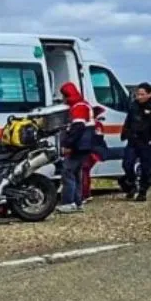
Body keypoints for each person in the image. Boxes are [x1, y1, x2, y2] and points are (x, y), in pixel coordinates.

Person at [121, 82, 151, 202]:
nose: (139, 97)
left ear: (149, 94)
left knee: (147, 168)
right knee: (127, 164)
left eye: (142, 94)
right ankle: (131, 184)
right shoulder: (133, 105)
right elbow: (128, 121)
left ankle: (142, 191)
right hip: (133, 140)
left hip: (147, 142)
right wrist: (125, 133)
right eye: (138, 94)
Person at [57, 81, 94, 214]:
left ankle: (69, 202)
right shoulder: (83, 105)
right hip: (84, 146)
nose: (63, 99)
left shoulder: (78, 107)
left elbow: (78, 128)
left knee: (67, 171)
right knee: (76, 173)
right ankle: (78, 202)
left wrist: (67, 145)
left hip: (79, 146)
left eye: (64, 96)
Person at [82, 105, 107, 203]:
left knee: (84, 172)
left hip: (90, 152)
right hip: (94, 152)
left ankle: (84, 194)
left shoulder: (93, 125)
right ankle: (86, 193)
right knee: (85, 173)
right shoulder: (97, 125)